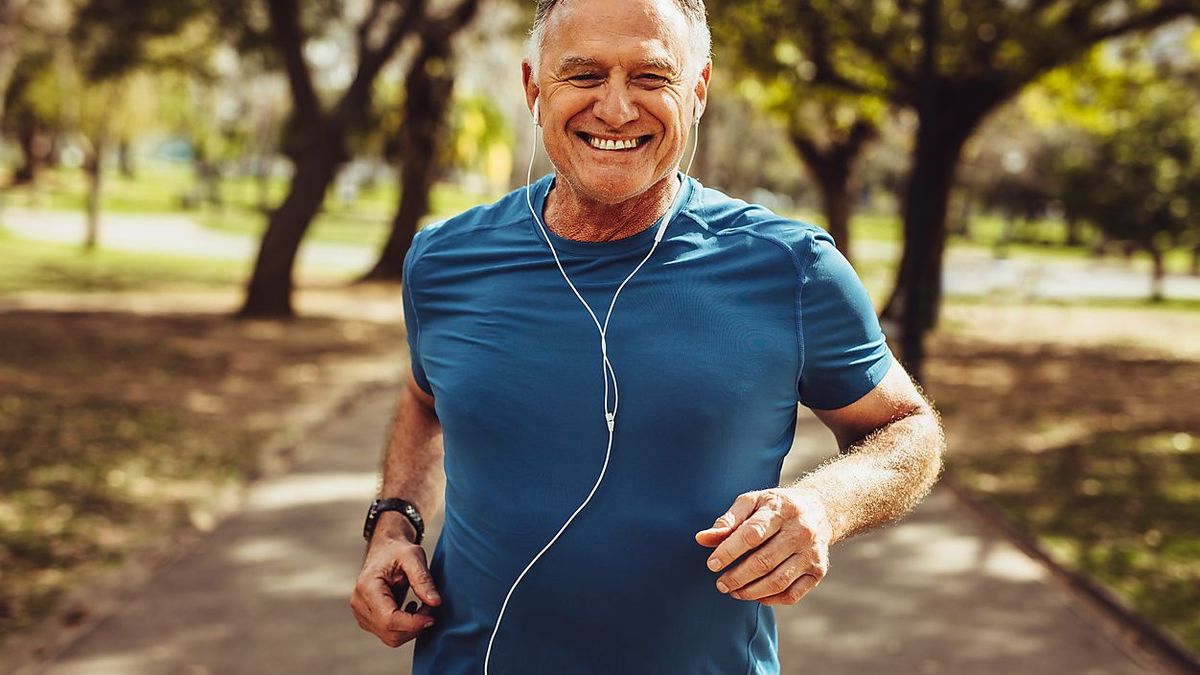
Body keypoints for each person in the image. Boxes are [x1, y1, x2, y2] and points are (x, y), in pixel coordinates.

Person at [350, 0, 945, 672]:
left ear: (697, 91)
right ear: (532, 88)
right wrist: (394, 522)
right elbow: (426, 398)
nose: (615, 108)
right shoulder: (444, 262)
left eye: (651, 78)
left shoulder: (793, 268)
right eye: (583, 75)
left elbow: (907, 429)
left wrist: (823, 505)